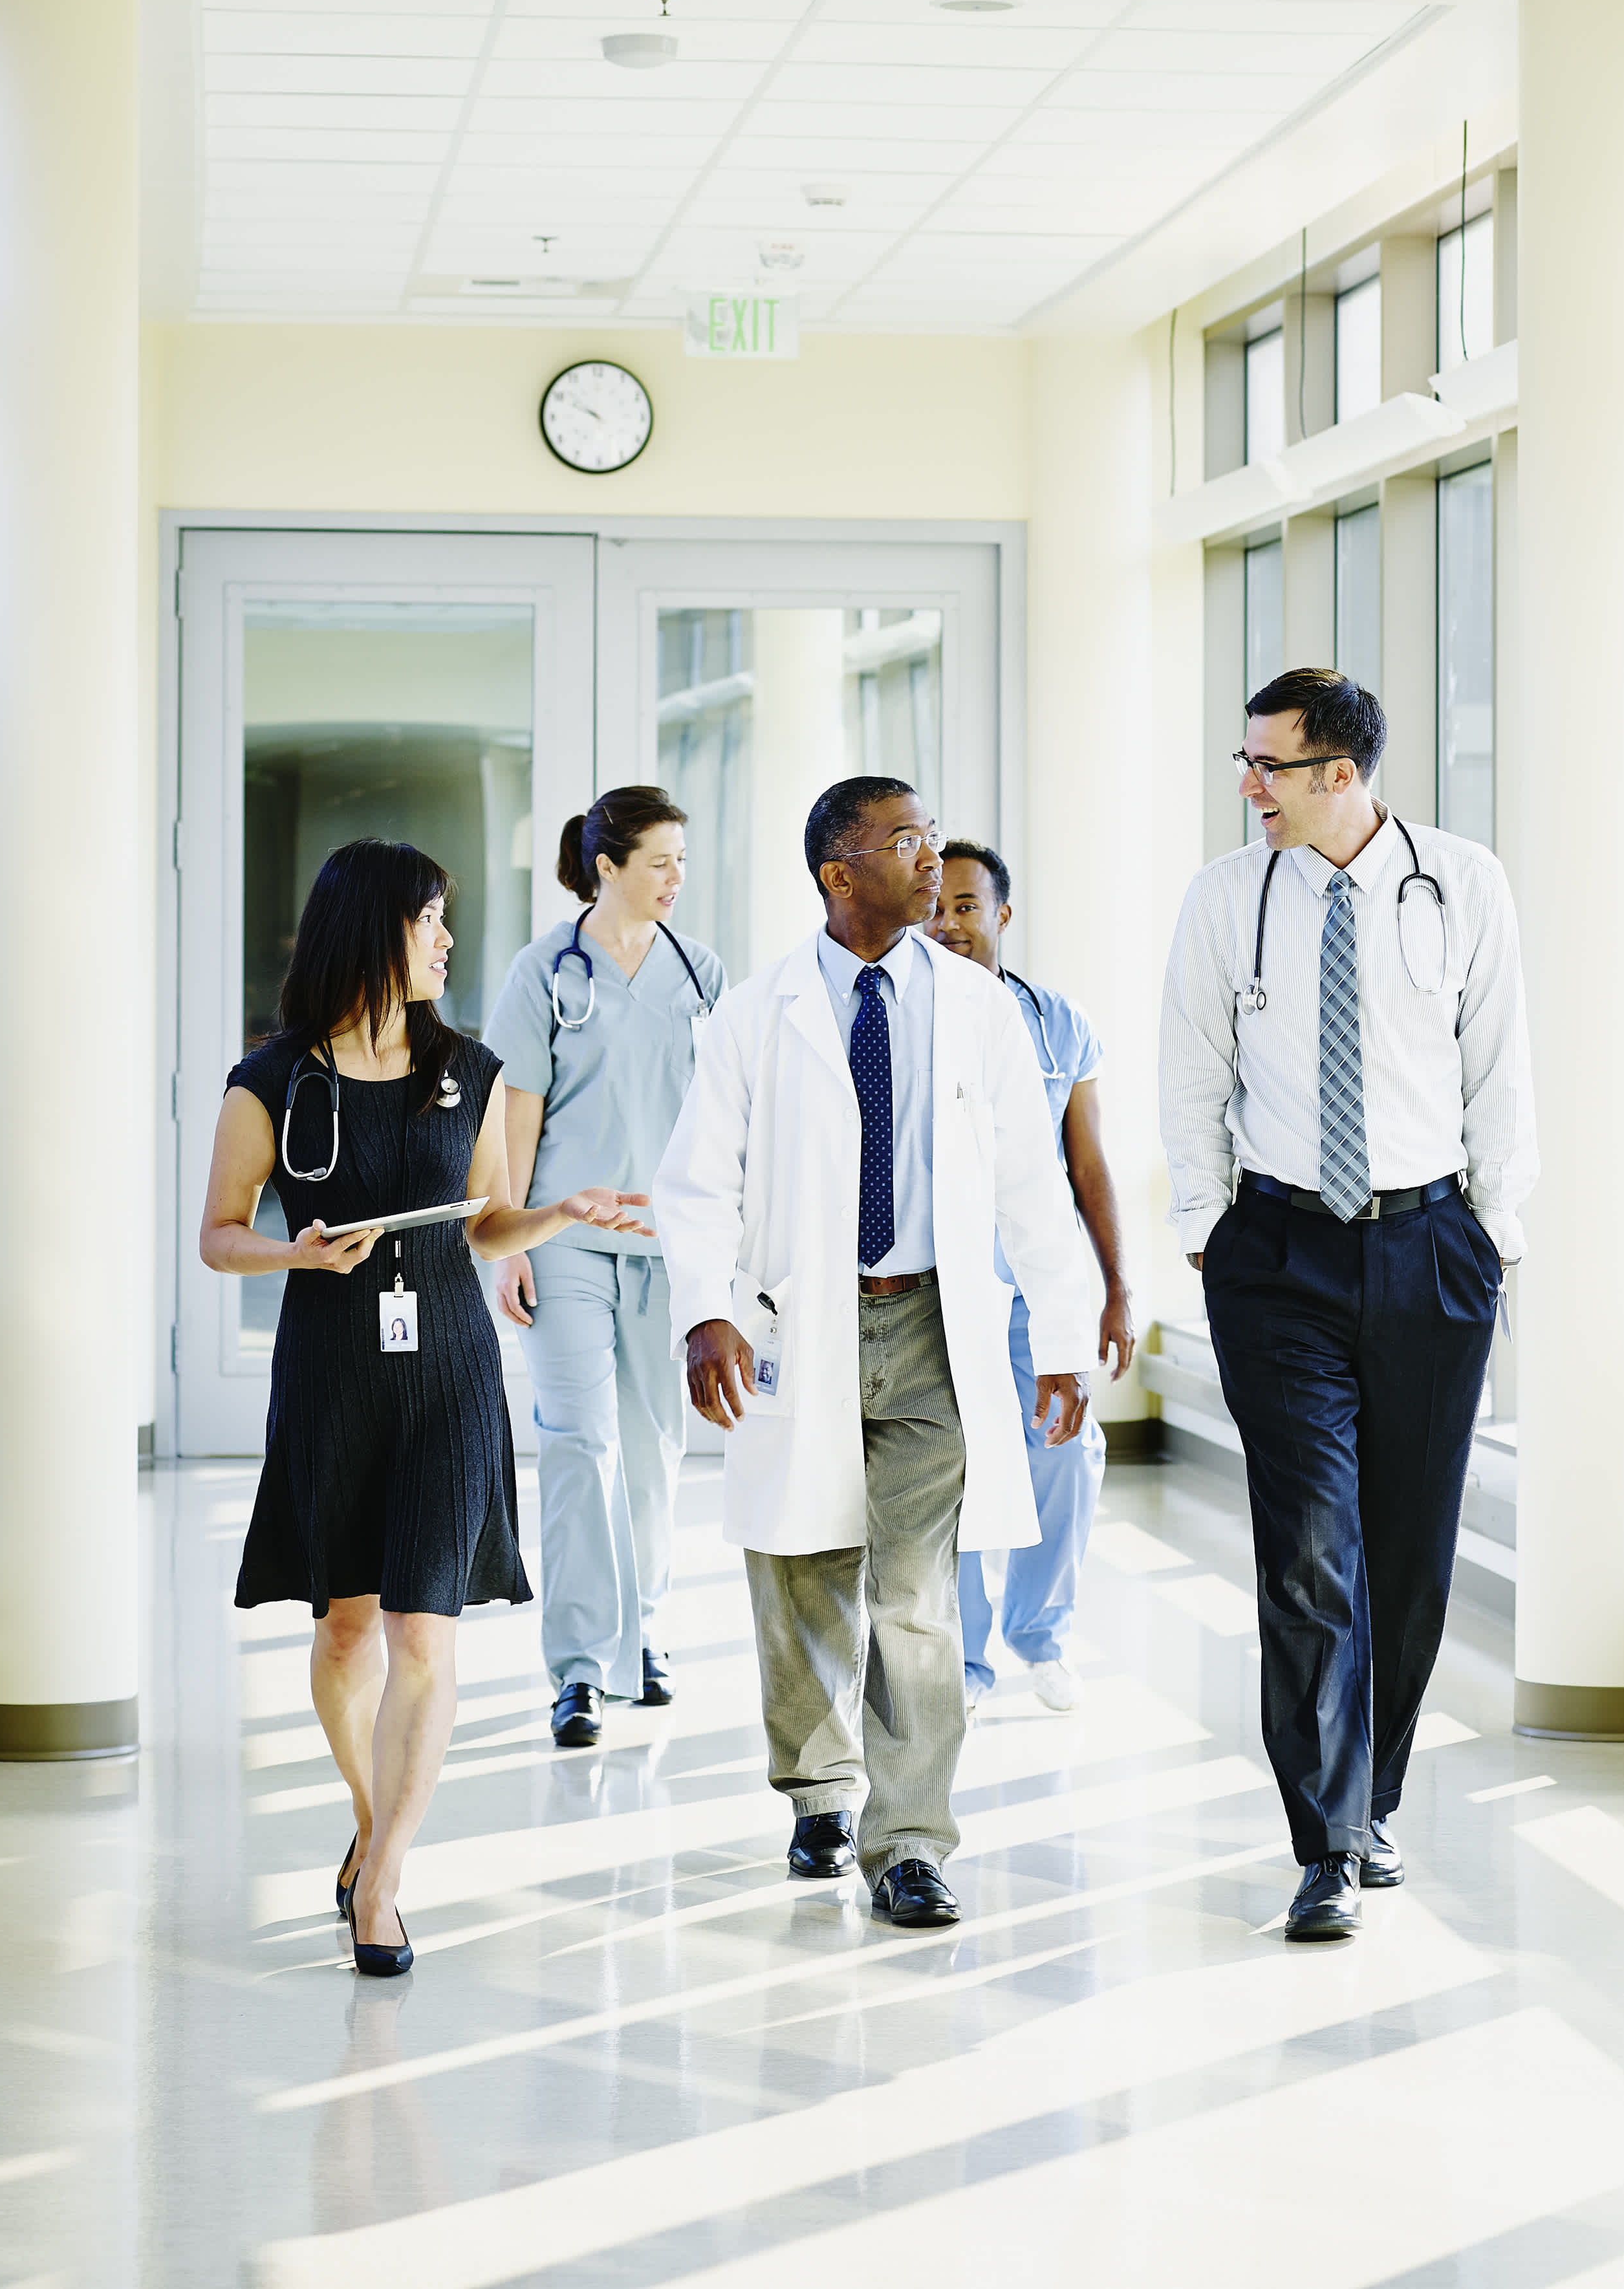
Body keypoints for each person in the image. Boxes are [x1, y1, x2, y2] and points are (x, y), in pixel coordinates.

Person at [654, 775, 1101, 1928]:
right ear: (837, 874)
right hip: (796, 1319)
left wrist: (1062, 1335)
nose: (931, 860)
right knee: (800, 1569)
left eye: (932, 837)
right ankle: (818, 1786)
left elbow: (1029, 1185)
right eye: (906, 842)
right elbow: (699, 1180)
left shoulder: (977, 1008)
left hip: (931, 1321)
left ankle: (908, 1841)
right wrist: (707, 1311)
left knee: (916, 1594)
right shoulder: (754, 1013)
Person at [200, 838, 651, 1978]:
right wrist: (290, 1254)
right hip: (332, 1371)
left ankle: (385, 1879)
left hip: (448, 1369)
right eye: (432, 920)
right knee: (347, 1627)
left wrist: (560, 1214)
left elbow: (486, 1221)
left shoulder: (473, 1066)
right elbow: (217, 1235)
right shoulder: (272, 1081)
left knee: (422, 1632)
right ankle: (369, 1817)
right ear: (373, 931)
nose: (450, 940)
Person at [1159, 667, 1534, 1944]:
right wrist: (1208, 1227)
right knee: (1308, 1544)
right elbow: (1188, 1069)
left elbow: (1501, 1072)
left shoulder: (1461, 885)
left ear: (1340, 775)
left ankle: (1373, 1798)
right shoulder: (1227, 897)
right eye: (1243, 762)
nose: (1247, 785)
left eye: (1269, 765)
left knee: (1408, 1548)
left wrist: (1494, 1235)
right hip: (1277, 1253)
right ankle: (1321, 1845)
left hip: (1428, 1242)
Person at [481, 786, 722, 1750]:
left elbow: (717, 1123)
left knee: (655, 1453)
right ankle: (580, 1667)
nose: (676, 879)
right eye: (659, 861)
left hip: (669, 1249)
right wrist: (510, 1241)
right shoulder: (544, 972)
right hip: (567, 1245)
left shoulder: (700, 973)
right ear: (608, 866)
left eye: (682, 861)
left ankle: (647, 1632)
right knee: (582, 1444)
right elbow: (515, 1119)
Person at [927, 840, 1136, 1710]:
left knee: (1067, 1448)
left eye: (967, 907)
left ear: (1001, 916)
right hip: (938, 1282)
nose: (948, 924)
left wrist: (1115, 1287)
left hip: (1036, 1282)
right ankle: (967, 1659)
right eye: (935, 906)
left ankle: (1040, 1633)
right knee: (958, 1467)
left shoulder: (1058, 1024)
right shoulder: (902, 1015)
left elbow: (1087, 1166)